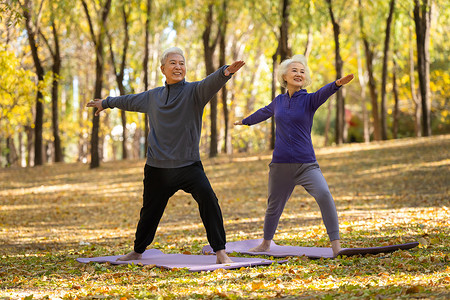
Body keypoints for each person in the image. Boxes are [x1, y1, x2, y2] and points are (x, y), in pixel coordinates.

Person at [87, 47, 245, 264]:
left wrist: (225, 72)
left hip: (188, 165)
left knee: (209, 200)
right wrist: (105, 103)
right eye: (173, 63)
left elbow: (210, 83)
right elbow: (129, 101)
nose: (178, 66)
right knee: (149, 212)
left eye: (181, 63)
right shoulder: (153, 97)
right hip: (157, 168)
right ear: (163, 69)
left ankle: (220, 252)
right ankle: (137, 251)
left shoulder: (194, 92)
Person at [234, 54, 353, 257]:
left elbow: (323, 93)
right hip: (280, 165)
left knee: (324, 195)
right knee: (273, 207)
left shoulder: (309, 100)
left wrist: (336, 84)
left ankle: (336, 246)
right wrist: (245, 121)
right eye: (294, 70)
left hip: (306, 164)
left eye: (302, 71)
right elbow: (263, 112)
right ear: (285, 76)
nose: (299, 73)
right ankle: (265, 244)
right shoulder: (278, 101)